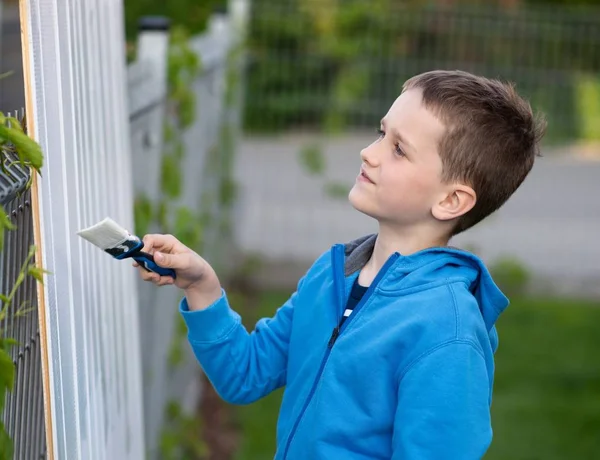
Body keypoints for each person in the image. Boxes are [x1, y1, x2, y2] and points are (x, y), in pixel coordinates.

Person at [135, 70, 546, 459]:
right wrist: (202, 286)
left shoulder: (447, 332)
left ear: (450, 201)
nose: (369, 153)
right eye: (381, 134)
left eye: (399, 149)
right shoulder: (333, 275)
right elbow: (244, 375)